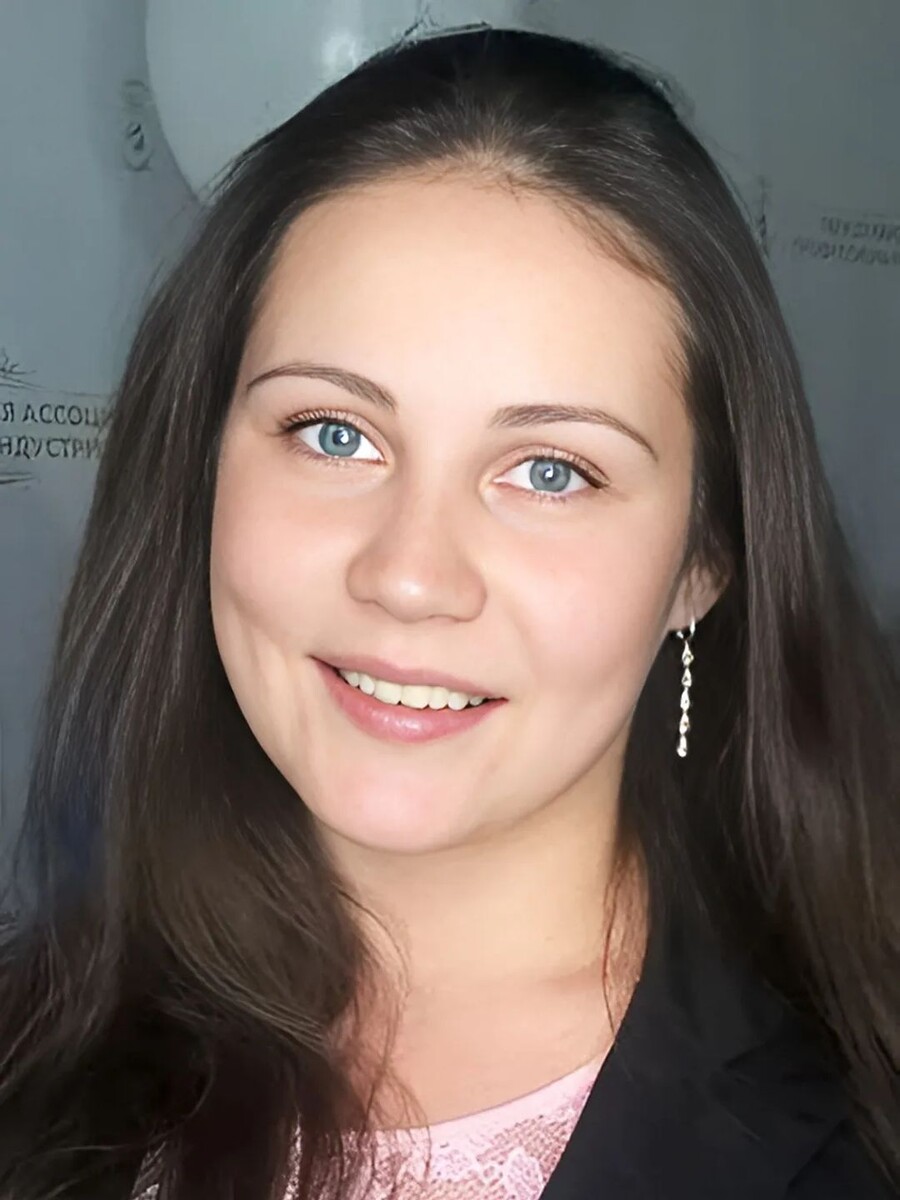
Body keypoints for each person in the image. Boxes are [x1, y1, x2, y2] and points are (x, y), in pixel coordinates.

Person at [0, 24, 897, 1200]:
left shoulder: (851, 1135)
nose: (411, 576)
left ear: (703, 563)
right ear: (201, 473)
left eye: (551, 471)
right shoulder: (37, 1053)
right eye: (334, 434)